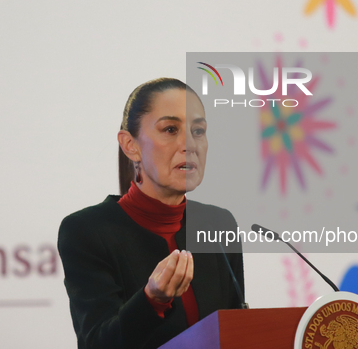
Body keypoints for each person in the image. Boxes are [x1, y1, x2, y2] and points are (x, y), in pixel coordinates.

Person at [58, 78, 245, 349]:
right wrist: (151, 300)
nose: (190, 144)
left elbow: (236, 331)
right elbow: (97, 343)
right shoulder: (86, 231)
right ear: (130, 145)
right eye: (170, 129)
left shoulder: (218, 224)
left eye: (198, 131)